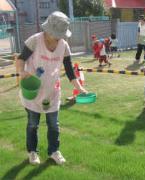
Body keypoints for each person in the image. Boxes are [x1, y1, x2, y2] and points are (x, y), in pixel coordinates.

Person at [17, 11, 88, 165]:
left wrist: (80, 88)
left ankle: (54, 151)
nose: (59, 37)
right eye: (57, 33)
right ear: (48, 29)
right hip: (33, 92)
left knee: (54, 125)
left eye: (61, 34)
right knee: (32, 124)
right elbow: (21, 59)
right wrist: (21, 72)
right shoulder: (34, 41)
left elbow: (70, 71)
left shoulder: (64, 45)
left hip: (52, 93)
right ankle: (33, 152)